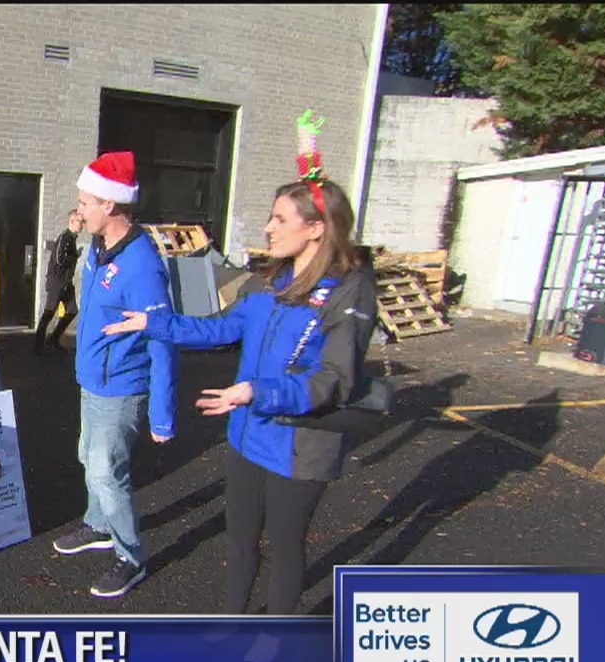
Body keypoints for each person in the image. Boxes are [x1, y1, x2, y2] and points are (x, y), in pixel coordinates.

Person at [101, 113, 378, 616]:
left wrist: (258, 392)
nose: (268, 228)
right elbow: (219, 329)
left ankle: (276, 636)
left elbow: (334, 380)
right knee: (240, 540)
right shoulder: (268, 282)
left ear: (316, 229)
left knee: (285, 547)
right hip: (248, 434)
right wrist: (153, 323)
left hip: (299, 443)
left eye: (280, 220)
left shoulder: (349, 291)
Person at [52, 151, 178, 599]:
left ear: (109, 205)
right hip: (93, 379)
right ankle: (97, 524)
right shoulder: (98, 246)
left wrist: (162, 414)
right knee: (88, 456)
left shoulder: (142, 266)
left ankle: (130, 558)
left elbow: (164, 338)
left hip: (122, 386)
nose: (79, 210)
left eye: (85, 203)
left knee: (107, 471)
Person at [34, 208, 84, 354]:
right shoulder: (65, 237)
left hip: (67, 284)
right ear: (72, 221)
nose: (82, 225)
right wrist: (74, 257)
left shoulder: (72, 239)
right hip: (57, 283)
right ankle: (38, 346)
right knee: (49, 312)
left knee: (72, 311)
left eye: (83, 222)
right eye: (80, 222)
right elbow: (59, 259)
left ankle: (53, 339)